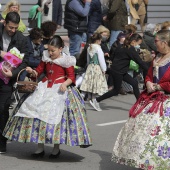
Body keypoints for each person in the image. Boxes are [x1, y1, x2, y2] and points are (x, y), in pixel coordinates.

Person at [3, 35, 92, 158]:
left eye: (53, 51)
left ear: (60, 49)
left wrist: (65, 84)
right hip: (44, 86)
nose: (50, 53)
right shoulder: (46, 58)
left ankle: (56, 148)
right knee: (37, 115)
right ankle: (40, 148)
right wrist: (32, 71)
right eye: (49, 50)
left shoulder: (67, 60)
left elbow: (71, 77)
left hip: (59, 89)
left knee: (56, 118)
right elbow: (39, 71)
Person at [112, 29, 170, 169]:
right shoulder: (156, 57)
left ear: (164, 42)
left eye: (156, 41)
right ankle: (146, 161)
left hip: (165, 100)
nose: (154, 43)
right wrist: (149, 81)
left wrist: (158, 87)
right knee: (142, 132)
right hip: (152, 99)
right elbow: (149, 74)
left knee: (159, 134)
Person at [89, 33, 149, 111]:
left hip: (118, 70)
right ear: (134, 41)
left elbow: (113, 57)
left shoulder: (121, 46)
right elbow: (139, 61)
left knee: (134, 83)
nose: (138, 45)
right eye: (138, 43)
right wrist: (149, 69)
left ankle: (139, 104)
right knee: (115, 91)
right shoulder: (130, 49)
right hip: (118, 71)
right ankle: (96, 100)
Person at [0, 12, 28, 153]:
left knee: (3, 109)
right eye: (10, 27)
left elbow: (25, 62)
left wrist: (13, 74)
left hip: (6, 80)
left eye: (15, 28)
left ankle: (1, 142)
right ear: (5, 23)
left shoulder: (22, 39)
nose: (12, 30)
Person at [80, 33, 108, 102]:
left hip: (90, 66)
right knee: (95, 82)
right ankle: (93, 98)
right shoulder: (98, 48)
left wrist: (88, 65)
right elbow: (101, 59)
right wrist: (104, 69)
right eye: (100, 40)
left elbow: (88, 58)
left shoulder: (89, 47)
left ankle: (87, 96)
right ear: (98, 40)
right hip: (97, 67)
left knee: (89, 81)